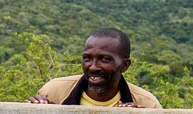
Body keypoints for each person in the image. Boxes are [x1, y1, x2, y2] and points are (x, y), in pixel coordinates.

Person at [26, 28, 161, 108]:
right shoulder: (54, 91)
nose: (93, 67)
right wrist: (30, 111)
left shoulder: (147, 103)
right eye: (87, 58)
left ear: (125, 65)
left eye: (104, 59)